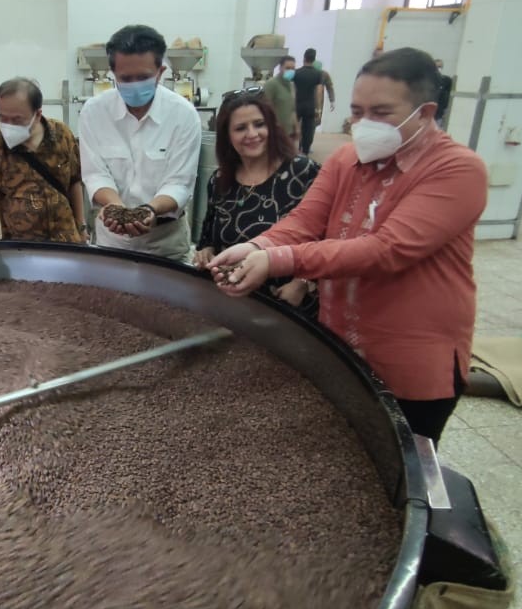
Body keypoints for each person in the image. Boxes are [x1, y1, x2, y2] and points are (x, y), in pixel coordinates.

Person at [207, 48, 488, 442]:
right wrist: (257, 246)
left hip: (410, 359)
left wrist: (276, 261)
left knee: (403, 467)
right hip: (340, 348)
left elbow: (387, 250)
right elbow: (305, 221)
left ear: (424, 113)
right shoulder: (346, 158)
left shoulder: (456, 169)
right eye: (357, 111)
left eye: (381, 112)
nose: (364, 123)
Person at [80, 24, 202, 262]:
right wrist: (117, 209)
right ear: (112, 74)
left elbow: (179, 183)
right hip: (112, 241)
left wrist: (149, 210)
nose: (135, 84)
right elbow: (95, 175)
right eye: (125, 78)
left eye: (144, 77)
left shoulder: (183, 115)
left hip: (165, 243)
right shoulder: (93, 112)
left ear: (160, 71)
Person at [195, 91, 321, 316]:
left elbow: (328, 237)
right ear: (227, 135)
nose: (252, 134)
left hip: (289, 304)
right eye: (241, 128)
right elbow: (207, 238)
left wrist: (302, 283)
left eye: (259, 124)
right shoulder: (220, 181)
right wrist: (206, 252)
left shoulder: (302, 173)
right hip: (235, 304)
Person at [0, 78, 86, 262]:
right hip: (22, 252)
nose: (8, 125)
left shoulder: (62, 135)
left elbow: (75, 182)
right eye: (3, 118)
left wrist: (81, 228)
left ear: (38, 114)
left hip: (67, 244)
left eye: (17, 119)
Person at [293, 48, 327, 156]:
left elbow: (292, 89)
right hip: (310, 105)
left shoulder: (296, 73)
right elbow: (318, 92)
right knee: (308, 130)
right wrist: (318, 108)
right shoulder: (318, 74)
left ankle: (292, 149)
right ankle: (305, 151)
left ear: (304, 58)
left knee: (293, 127)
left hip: (297, 104)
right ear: (314, 59)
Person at [263, 56, 299, 147]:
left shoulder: (291, 86)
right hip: (275, 133)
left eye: (293, 68)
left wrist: (297, 127)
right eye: (287, 68)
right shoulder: (271, 84)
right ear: (280, 68)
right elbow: (265, 108)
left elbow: (292, 109)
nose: (290, 71)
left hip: (289, 132)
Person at [434, 59, 454, 127]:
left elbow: (449, 96)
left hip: (439, 114)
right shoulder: (427, 80)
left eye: (440, 67)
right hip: (427, 114)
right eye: (437, 67)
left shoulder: (446, 80)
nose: (438, 69)